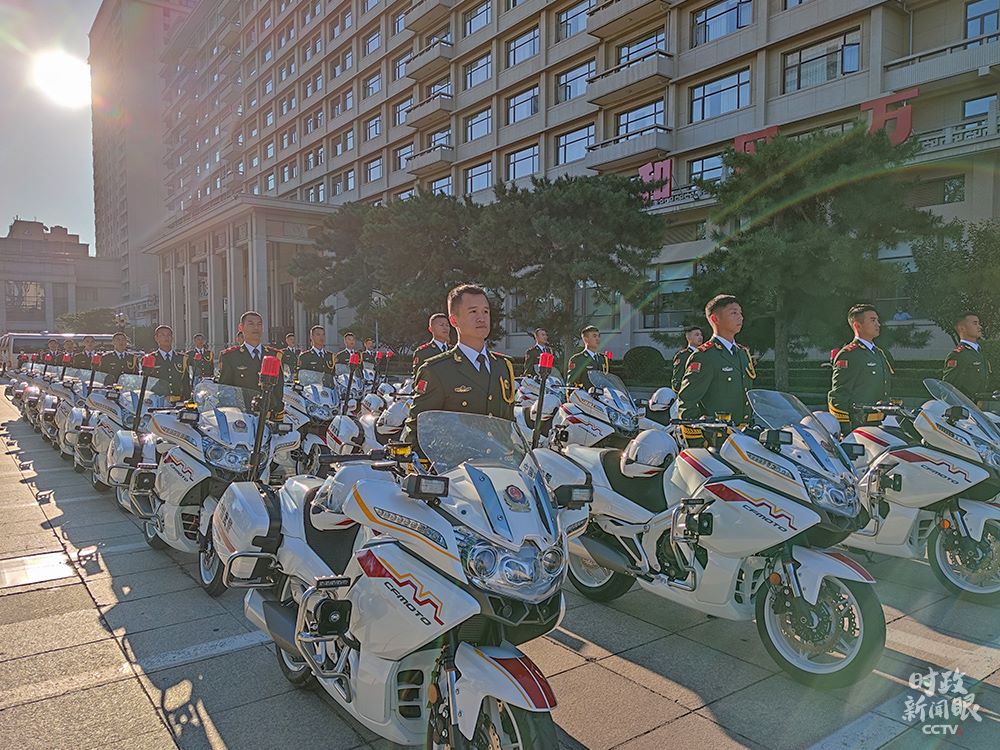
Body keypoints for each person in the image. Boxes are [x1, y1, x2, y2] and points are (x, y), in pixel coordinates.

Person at [405, 284, 516, 448]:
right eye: (473, 312)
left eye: (485, 312)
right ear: (453, 320)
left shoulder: (503, 366)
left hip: (499, 461)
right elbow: (419, 430)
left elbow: (507, 423)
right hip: (458, 463)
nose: (481, 318)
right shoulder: (436, 370)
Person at [676, 295, 756, 439]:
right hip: (718, 439)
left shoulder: (742, 353)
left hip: (745, 437)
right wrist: (698, 442)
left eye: (740, 313)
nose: (740, 317)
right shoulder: (705, 356)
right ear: (715, 319)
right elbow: (687, 402)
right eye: (733, 313)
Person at [828, 304, 894, 431]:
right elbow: (839, 395)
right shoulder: (849, 354)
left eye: (878, 320)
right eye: (873, 320)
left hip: (879, 424)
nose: (878, 324)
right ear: (857, 325)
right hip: (858, 426)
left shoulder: (879, 353)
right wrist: (844, 428)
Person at [217, 311, 285, 417]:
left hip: (268, 415)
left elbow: (278, 389)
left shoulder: (274, 355)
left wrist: (276, 410)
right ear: (241, 327)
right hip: (243, 416)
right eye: (251, 324)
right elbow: (225, 390)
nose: (256, 328)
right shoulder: (230, 356)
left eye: (259, 324)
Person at [943, 312, 992, 403]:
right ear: (962, 328)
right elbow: (949, 388)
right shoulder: (958, 355)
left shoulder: (981, 352)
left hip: (979, 406)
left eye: (979, 323)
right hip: (965, 406)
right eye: (975, 323)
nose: (980, 327)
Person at [147, 325, 191, 403]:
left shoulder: (182, 358)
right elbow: (147, 383)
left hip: (178, 402)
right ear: (156, 338)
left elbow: (186, 382)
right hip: (158, 402)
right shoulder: (150, 358)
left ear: (172, 338)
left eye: (169, 335)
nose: (166, 337)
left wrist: (188, 400)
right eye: (162, 335)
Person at [671, 326, 704, 392]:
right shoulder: (683, 355)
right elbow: (677, 380)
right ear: (688, 337)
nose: (700, 337)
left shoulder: (704, 354)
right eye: (697, 335)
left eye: (701, 335)